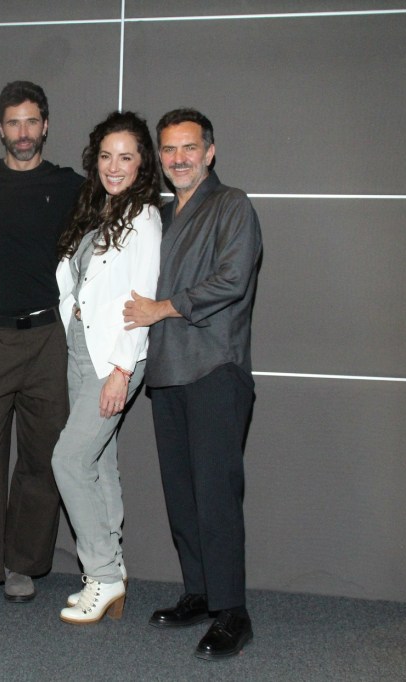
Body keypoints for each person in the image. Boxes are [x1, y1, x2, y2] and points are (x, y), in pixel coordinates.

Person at [123, 108, 262, 659]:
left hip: (215, 370)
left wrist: (163, 308)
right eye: (169, 150)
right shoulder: (158, 215)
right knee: (182, 494)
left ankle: (232, 612)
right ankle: (200, 594)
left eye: (189, 148)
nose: (178, 158)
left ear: (209, 152)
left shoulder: (232, 205)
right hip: (167, 372)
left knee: (216, 495)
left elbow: (232, 279)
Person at [0, 81, 83, 612]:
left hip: (49, 337)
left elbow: (121, 218)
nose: (22, 132)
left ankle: (22, 565)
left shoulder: (70, 186)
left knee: (41, 459)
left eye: (31, 122)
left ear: (45, 126)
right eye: (13, 122)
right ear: (0, 128)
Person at [51, 111, 161, 624]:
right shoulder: (97, 211)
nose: (114, 167)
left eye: (126, 157)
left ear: (142, 164)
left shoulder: (144, 218)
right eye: (105, 156)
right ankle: (110, 569)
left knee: (68, 461)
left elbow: (142, 301)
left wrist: (121, 370)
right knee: (99, 462)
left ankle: (101, 573)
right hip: (81, 347)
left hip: (113, 355)